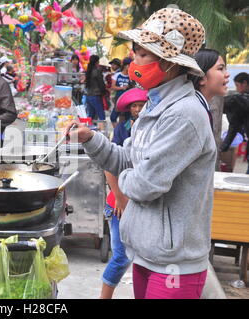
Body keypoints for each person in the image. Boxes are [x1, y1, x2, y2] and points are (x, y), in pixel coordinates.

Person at [66, 8, 216, 299]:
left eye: (143, 53)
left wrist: (134, 174)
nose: (134, 59)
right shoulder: (153, 104)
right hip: (147, 250)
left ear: (169, 63)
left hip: (174, 263)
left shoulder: (184, 114)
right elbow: (127, 160)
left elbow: (146, 185)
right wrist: (91, 139)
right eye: (135, 51)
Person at [101, 88, 147, 299]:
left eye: (141, 105)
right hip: (120, 201)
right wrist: (120, 198)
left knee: (141, 257)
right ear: (128, 110)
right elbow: (109, 166)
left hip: (139, 201)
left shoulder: (150, 129)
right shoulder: (121, 130)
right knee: (121, 257)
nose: (137, 109)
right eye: (134, 106)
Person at [219, 72, 249, 173]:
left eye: (237, 85)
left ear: (244, 83)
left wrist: (223, 147)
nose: (237, 89)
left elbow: (233, 127)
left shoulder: (237, 100)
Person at [84, 55, 107, 127]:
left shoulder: (88, 71)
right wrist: (104, 93)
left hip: (88, 95)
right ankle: (102, 131)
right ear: (97, 62)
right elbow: (101, 84)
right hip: (96, 95)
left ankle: (89, 130)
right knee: (101, 116)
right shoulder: (97, 71)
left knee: (90, 115)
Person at [110, 57, 132, 127]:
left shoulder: (131, 76)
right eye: (130, 66)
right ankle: (118, 131)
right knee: (113, 117)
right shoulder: (117, 75)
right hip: (119, 99)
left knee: (126, 117)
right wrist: (122, 88)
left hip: (128, 100)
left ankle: (124, 133)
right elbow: (113, 87)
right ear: (126, 66)